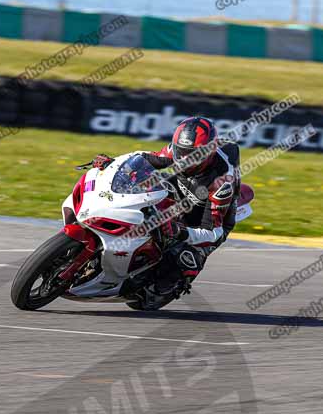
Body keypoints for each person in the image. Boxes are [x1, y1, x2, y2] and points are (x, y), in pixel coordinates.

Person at [93, 116, 240, 290]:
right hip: (182, 189)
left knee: (184, 260)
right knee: (142, 192)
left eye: (191, 156)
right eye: (180, 152)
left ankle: (171, 285)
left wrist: (179, 231)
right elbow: (146, 158)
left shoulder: (222, 182)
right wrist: (115, 164)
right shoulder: (179, 150)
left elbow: (213, 232)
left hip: (207, 218)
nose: (183, 160)